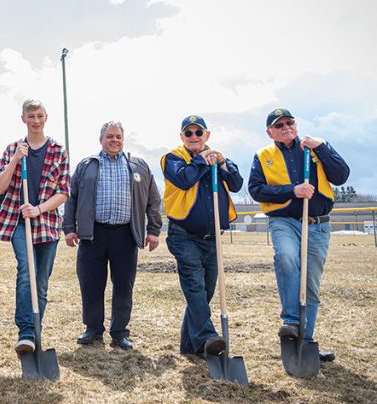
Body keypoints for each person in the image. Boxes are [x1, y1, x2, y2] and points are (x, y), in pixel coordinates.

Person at [248, 108, 349, 363]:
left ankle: (305, 343)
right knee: (286, 257)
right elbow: (256, 190)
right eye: (279, 125)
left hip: (318, 224)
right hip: (285, 221)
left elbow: (341, 176)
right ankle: (291, 321)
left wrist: (322, 147)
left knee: (311, 285)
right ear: (269, 131)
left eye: (289, 122)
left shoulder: (314, 150)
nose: (286, 127)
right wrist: (293, 190)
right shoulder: (263, 156)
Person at [63, 121, 162, 350]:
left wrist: (153, 230)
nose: (114, 140)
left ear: (123, 140)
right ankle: (93, 329)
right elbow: (72, 198)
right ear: (101, 140)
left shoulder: (138, 166)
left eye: (118, 137)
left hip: (125, 234)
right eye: (109, 136)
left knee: (123, 285)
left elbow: (153, 199)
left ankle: (120, 333)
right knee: (91, 284)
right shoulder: (87, 166)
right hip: (92, 234)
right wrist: (69, 228)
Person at [160, 115, 243, 359]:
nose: (194, 137)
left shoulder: (216, 158)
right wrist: (202, 161)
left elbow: (237, 184)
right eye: (189, 133)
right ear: (182, 136)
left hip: (212, 238)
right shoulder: (173, 158)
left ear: (207, 135)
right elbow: (184, 180)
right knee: (194, 287)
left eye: (199, 133)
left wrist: (222, 162)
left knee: (204, 292)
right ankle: (208, 336)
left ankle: (191, 345)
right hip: (183, 235)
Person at [0, 99, 70, 354]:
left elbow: (63, 192)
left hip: (46, 223)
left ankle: (36, 332)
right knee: (27, 271)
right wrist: (15, 160)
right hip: (18, 222)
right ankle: (25, 333)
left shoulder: (58, 150)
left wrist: (39, 208)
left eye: (39, 115)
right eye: (31, 116)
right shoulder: (13, 148)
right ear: (23, 119)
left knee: (41, 281)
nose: (35, 120)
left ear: (46, 117)